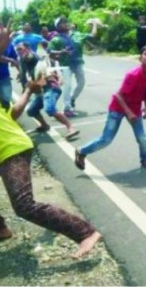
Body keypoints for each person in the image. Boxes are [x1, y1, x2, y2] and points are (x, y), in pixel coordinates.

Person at [0, 78, 101, 258]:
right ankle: (1, 229)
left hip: (11, 148)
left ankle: (85, 232)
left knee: (24, 205)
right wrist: (28, 91)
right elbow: (12, 114)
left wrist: (29, 90)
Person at [74, 46, 146, 170]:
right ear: (140, 58)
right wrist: (128, 112)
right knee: (106, 139)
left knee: (142, 137)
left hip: (134, 108)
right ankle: (81, 151)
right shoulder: (133, 75)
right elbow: (118, 95)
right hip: (118, 107)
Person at [26, 54, 80, 139]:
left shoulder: (43, 65)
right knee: (31, 110)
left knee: (50, 109)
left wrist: (37, 83)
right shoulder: (32, 70)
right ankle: (44, 125)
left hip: (51, 89)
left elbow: (47, 78)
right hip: (43, 91)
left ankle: (71, 128)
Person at [12, 23, 45, 90]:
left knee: (35, 73)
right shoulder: (18, 38)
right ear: (23, 28)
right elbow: (13, 46)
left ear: (31, 28)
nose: (27, 27)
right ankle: (25, 89)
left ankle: (38, 87)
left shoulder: (36, 37)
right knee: (22, 74)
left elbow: (45, 42)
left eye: (28, 25)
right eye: (25, 25)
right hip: (22, 58)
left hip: (33, 58)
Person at [0, 36, 19, 103]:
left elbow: (15, 58)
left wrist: (21, 72)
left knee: (6, 99)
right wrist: (11, 60)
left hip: (4, 77)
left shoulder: (9, 45)